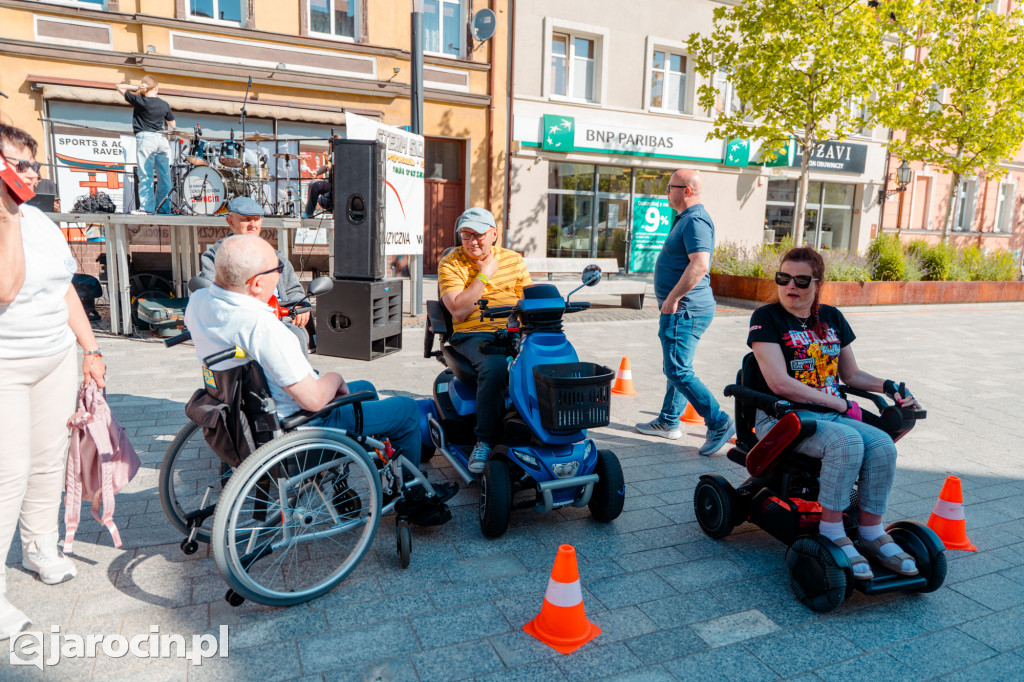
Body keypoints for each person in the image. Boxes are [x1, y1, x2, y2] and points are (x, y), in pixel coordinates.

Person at [186, 234, 432, 475]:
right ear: (257, 284)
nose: (280, 273)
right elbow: (313, 401)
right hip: (301, 427)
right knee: (407, 409)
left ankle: (380, 468)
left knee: (366, 387)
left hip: (251, 412)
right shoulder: (263, 328)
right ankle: (413, 498)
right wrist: (335, 377)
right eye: (277, 268)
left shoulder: (198, 302)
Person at [747, 246, 923, 579]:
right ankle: (832, 531)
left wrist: (890, 387)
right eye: (783, 278)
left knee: (883, 444)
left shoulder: (832, 317)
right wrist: (840, 404)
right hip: (785, 418)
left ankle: (871, 532)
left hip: (828, 416)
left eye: (801, 280)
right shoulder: (766, 318)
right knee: (846, 442)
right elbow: (779, 383)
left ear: (817, 284)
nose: (790, 286)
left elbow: (851, 375)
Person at [0, 124, 107, 640]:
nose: (32, 175)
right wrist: (6, 214)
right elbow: (6, 287)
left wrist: (91, 349)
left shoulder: (39, 218)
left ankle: (39, 544)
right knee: (8, 472)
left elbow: (66, 289)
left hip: (54, 356)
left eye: (33, 164)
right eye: (20, 165)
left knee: (48, 459)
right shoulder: (11, 218)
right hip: (5, 364)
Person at [635, 169, 735, 455]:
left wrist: (673, 298)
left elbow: (700, 264)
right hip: (686, 308)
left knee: (677, 369)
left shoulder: (695, 220)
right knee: (677, 367)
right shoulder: (687, 220)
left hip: (685, 309)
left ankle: (718, 422)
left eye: (670, 187)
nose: (666, 192)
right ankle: (669, 421)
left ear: (686, 191)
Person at [437, 207, 532, 474]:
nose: (472, 241)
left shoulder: (513, 260)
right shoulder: (451, 262)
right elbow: (458, 309)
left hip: (514, 330)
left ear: (494, 234)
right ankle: (485, 439)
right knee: (495, 367)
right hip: (472, 333)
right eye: (466, 235)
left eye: (478, 234)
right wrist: (485, 273)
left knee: (546, 360)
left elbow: (530, 298)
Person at [200, 196, 310, 352]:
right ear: (230, 221)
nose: (252, 224)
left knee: (296, 336)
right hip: (240, 324)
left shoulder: (275, 256)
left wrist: (299, 304)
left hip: (278, 319)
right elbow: (210, 293)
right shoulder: (215, 256)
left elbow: (293, 289)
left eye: (256, 219)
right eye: (246, 219)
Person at [115, 75, 175, 215]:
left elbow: (118, 86)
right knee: (164, 176)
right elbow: (173, 125)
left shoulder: (139, 100)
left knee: (146, 175)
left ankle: (147, 209)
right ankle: (163, 209)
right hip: (161, 138)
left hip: (146, 138)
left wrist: (136, 88)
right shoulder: (164, 104)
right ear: (156, 88)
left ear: (145, 87)